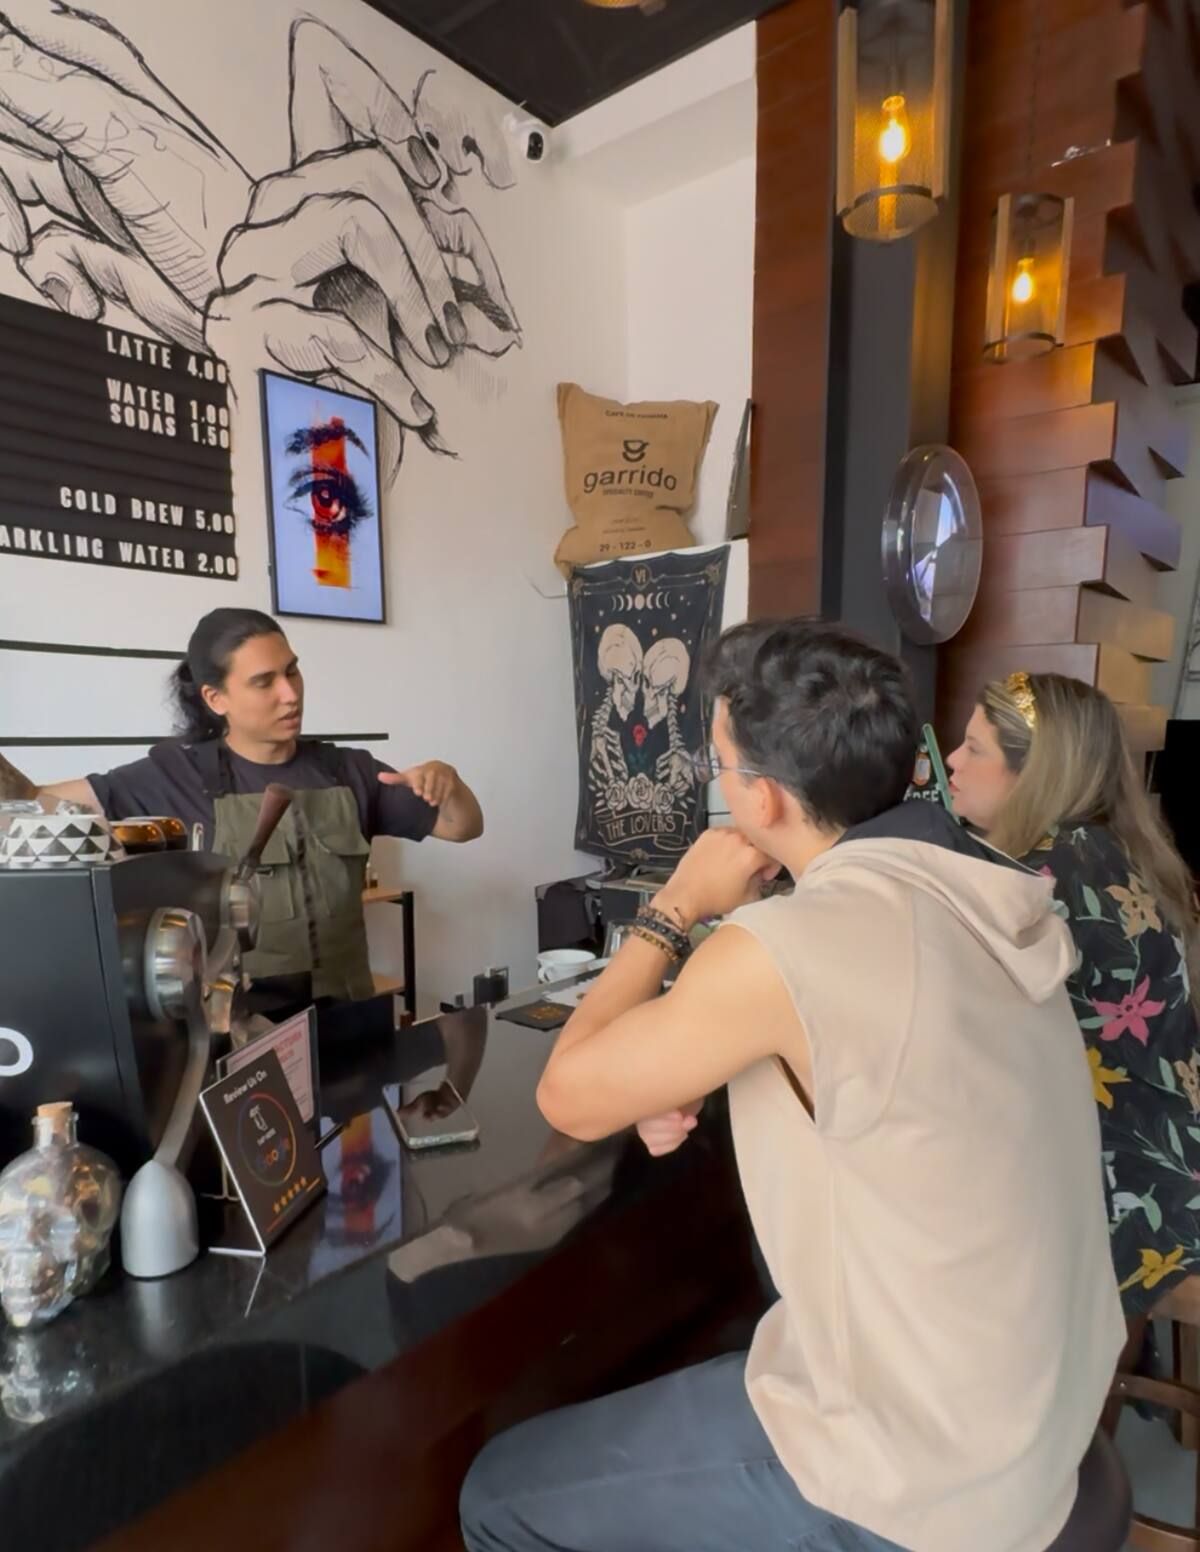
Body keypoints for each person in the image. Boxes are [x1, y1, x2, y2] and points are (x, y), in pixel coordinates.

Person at [459, 620, 1123, 1552]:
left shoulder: (789, 947)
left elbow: (567, 1093)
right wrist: (694, 1062)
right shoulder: (977, 889)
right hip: (1042, 1410)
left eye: (720, 765)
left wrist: (675, 905)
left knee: (498, 1493)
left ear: (761, 797)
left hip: (928, 1474)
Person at [0, 608, 482, 1003]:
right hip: (242, 1034)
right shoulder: (175, 775)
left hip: (350, 1019)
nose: (290, 694)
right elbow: (34, 801)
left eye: (292, 671)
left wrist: (449, 779)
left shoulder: (348, 770)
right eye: (264, 681)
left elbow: (464, 827)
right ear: (216, 698)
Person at [946, 671, 1200, 1319]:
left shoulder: (1040, 878)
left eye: (974, 748)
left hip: (1128, 1196)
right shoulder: (1114, 849)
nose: (951, 760)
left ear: (1035, 773)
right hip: (1175, 1155)